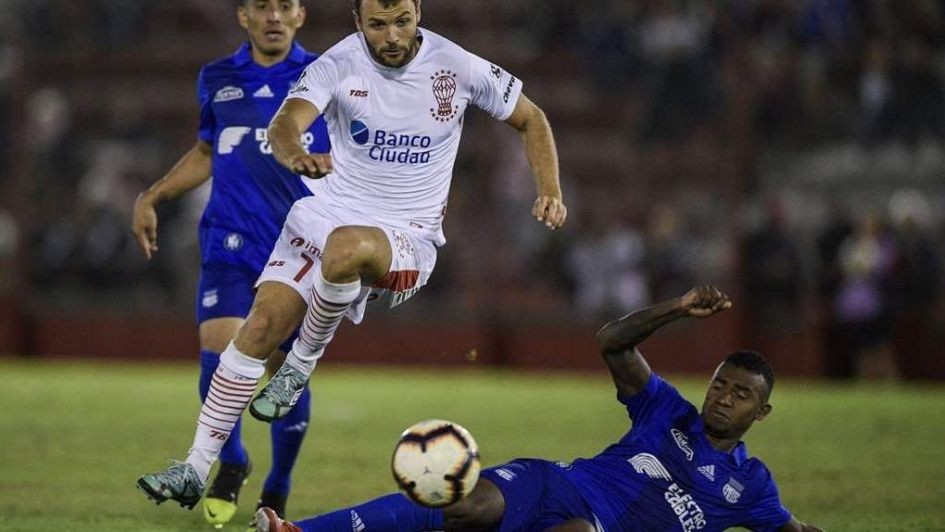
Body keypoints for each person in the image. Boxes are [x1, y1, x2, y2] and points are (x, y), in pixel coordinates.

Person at [137, 0, 567, 513]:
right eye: (378, 25)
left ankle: (300, 365)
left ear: (418, 13)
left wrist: (550, 188)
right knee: (258, 327)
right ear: (357, 21)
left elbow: (532, 117)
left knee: (346, 247)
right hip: (324, 217)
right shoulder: (338, 64)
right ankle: (195, 467)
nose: (392, 36)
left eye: (402, 21)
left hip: (407, 238)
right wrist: (294, 154)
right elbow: (284, 124)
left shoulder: (456, 65)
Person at [251, 286, 823, 532]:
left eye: (741, 395)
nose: (723, 398)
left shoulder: (751, 487)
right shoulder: (666, 410)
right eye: (721, 385)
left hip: (593, 527)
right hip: (558, 484)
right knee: (464, 503)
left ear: (761, 413)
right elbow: (612, 342)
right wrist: (675, 308)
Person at [131, 0, 329, 526]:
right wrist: (153, 195)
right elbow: (206, 152)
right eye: (262, 6)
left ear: (301, 15)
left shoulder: (324, 76)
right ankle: (233, 458)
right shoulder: (216, 77)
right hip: (230, 239)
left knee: (283, 372)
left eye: (284, 6)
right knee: (218, 352)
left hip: (299, 247)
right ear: (243, 16)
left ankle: (278, 485)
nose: (273, 16)